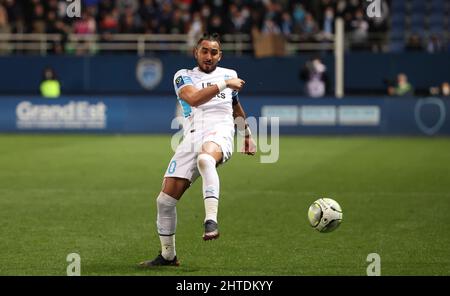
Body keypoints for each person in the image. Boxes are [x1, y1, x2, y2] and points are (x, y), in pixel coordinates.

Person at [139, 33, 256, 267]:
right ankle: (168, 256)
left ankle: (210, 220)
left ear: (220, 55)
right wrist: (223, 84)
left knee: (206, 159)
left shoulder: (229, 74)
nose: (209, 56)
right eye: (205, 51)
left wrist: (246, 134)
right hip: (191, 137)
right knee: (164, 202)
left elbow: (234, 106)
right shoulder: (183, 76)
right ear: (196, 52)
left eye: (214, 52)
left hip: (220, 131)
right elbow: (193, 99)